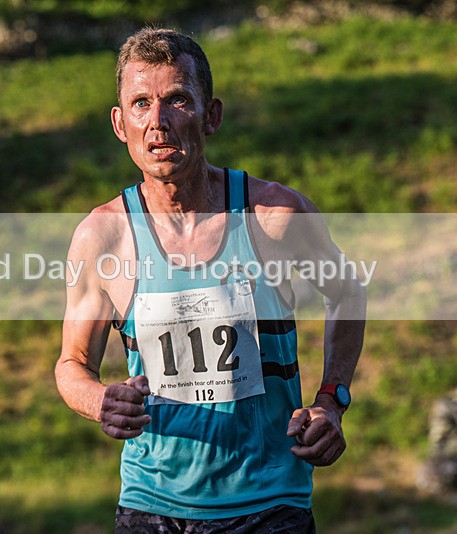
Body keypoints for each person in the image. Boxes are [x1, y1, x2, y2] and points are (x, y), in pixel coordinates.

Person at [54, 27, 366, 533]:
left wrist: (332, 400)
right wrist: (99, 401)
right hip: (152, 503)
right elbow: (72, 365)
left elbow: (348, 292)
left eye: (178, 100)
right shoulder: (103, 237)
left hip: (270, 502)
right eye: (140, 104)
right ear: (119, 123)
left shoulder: (275, 216)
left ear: (211, 115)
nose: (158, 122)